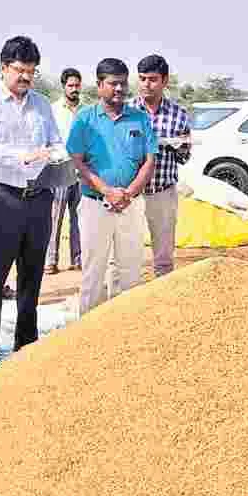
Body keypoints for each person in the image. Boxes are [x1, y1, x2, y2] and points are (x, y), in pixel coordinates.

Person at [0, 36, 62, 368]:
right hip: (0, 198)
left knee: (32, 274)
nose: (25, 77)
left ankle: (26, 343)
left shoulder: (42, 104)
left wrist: (52, 154)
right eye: (20, 70)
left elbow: (55, 141)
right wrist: (23, 157)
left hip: (39, 199)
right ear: (4, 68)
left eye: (31, 71)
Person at [68, 58, 158, 315]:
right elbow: (78, 162)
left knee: (129, 271)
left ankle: (124, 331)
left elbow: (149, 161)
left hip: (131, 205)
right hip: (95, 205)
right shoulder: (85, 119)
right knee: (93, 270)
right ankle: (88, 332)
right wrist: (107, 191)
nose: (119, 89)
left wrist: (128, 193)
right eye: (112, 84)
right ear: (99, 85)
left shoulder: (140, 119)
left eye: (122, 84)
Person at [132, 54, 191, 278]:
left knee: (164, 260)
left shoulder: (178, 115)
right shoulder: (127, 111)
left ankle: (163, 306)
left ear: (165, 81)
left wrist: (180, 146)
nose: (147, 84)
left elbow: (184, 157)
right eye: (142, 78)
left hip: (163, 192)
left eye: (153, 79)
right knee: (127, 255)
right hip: (132, 194)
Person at [46, 67, 83, 274]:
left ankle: (77, 258)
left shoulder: (87, 111)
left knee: (78, 216)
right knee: (55, 216)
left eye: (77, 85)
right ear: (63, 87)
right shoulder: (53, 110)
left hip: (81, 170)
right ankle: (51, 260)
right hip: (60, 168)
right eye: (71, 85)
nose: (74, 89)